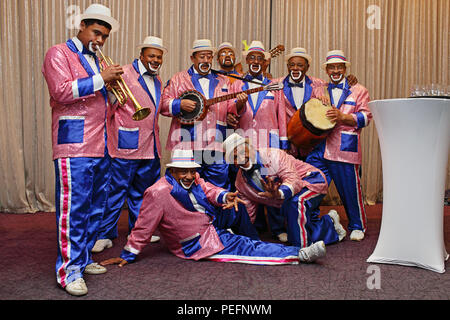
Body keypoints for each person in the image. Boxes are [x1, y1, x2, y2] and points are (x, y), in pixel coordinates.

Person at [100, 149, 327, 269]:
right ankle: (298, 255)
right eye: (183, 172)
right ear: (172, 171)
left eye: (192, 171)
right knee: (246, 249)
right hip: (197, 241)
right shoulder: (158, 192)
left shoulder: (195, 178)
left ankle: (254, 239)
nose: (189, 175)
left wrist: (226, 195)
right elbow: (143, 226)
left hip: (209, 223)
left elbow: (209, 189)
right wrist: (128, 255)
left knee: (237, 209)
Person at [41, 4, 121, 296]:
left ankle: (83, 258)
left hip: (100, 144)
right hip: (73, 144)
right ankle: (68, 271)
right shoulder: (58, 53)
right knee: (73, 210)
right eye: (96, 33)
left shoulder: (98, 61)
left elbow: (100, 103)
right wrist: (103, 80)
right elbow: (61, 91)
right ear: (82, 26)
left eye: (104, 37)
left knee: (94, 208)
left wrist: (111, 91)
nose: (99, 41)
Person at [92, 36, 166, 253]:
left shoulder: (158, 80)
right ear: (141, 55)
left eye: (159, 56)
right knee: (114, 192)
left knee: (143, 193)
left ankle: (139, 230)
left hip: (150, 146)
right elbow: (107, 106)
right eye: (151, 55)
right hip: (126, 144)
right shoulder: (122, 72)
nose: (155, 60)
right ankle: (104, 233)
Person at [222, 133, 346, 249]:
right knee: (295, 230)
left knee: (295, 203)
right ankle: (329, 223)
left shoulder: (274, 155)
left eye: (243, 151)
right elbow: (249, 212)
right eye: (235, 157)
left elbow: (294, 181)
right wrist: (238, 234)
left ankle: (302, 248)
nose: (241, 157)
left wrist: (278, 193)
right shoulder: (241, 182)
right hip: (291, 194)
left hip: (311, 180)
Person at [226, 40, 289, 242]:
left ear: (265, 63)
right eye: (251, 58)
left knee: (271, 182)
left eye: (259, 58)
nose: (255, 61)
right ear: (246, 61)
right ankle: (249, 224)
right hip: (245, 144)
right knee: (246, 184)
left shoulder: (274, 85)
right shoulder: (236, 83)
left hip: (269, 143)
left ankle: (278, 227)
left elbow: (281, 114)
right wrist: (239, 104)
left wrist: (283, 142)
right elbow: (230, 113)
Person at [307, 50, 372, 241]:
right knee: (312, 186)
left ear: (345, 69)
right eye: (332, 67)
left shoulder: (359, 90)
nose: (336, 70)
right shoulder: (319, 89)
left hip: (345, 147)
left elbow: (367, 117)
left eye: (339, 67)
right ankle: (313, 223)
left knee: (350, 190)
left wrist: (344, 117)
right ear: (326, 70)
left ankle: (357, 225)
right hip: (320, 147)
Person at [160, 39, 230, 188]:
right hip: (187, 144)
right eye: (202, 56)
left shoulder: (223, 80)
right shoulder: (178, 79)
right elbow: (163, 104)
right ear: (193, 58)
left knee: (217, 186)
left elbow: (231, 108)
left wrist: (239, 105)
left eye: (209, 56)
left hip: (215, 144)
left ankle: (213, 213)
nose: (206, 60)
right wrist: (180, 104)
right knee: (185, 188)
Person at [276, 47, 357, 158]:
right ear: (287, 66)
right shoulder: (277, 84)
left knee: (312, 174)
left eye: (300, 65)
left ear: (307, 67)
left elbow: (336, 85)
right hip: (287, 145)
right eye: (292, 65)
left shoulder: (319, 84)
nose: (295, 68)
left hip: (311, 145)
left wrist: (348, 80)